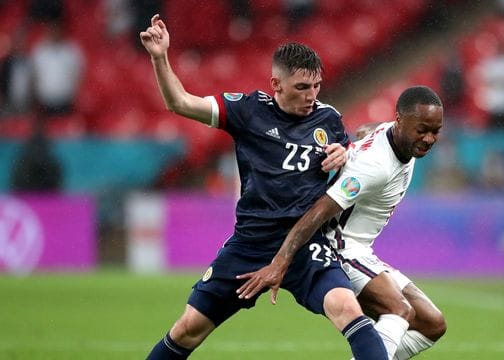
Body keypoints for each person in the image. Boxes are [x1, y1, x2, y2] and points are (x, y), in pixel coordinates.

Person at [140, 14, 388, 359]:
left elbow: (349, 160)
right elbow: (179, 102)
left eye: (316, 86)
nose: (311, 96)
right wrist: (159, 56)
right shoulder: (248, 111)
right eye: (302, 88)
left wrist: (343, 155)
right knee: (187, 329)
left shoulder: (328, 119)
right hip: (251, 244)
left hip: (304, 244)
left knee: (347, 308)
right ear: (276, 84)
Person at [237, 86, 447, 359]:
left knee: (432, 324)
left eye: (435, 131)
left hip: (362, 251)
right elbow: (318, 212)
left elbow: (367, 131)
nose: (429, 138)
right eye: (422, 130)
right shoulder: (375, 167)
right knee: (399, 310)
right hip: (339, 248)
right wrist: (280, 263)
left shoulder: (395, 137)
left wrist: (353, 144)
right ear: (399, 121)